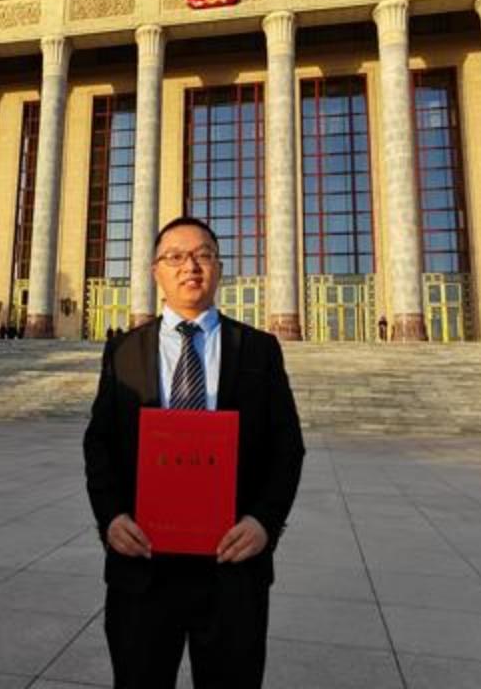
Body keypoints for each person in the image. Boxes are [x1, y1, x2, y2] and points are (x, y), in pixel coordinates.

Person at [83, 216, 305, 689]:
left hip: (232, 565)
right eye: (176, 257)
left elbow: (287, 446)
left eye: (204, 255)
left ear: (219, 268)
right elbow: (99, 442)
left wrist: (264, 522)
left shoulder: (259, 349)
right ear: (155, 271)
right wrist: (111, 518)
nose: (191, 266)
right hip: (142, 564)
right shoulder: (123, 351)